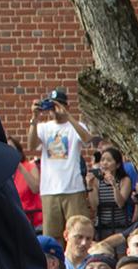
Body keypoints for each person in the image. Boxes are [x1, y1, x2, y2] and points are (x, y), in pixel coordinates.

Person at [31, 88, 93, 240]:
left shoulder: (76, 126)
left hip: (73, 188)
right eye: (52, 107)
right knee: (52, 237)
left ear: (67, 106)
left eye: (58, 106)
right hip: (49, 190)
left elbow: (87, 139)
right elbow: (32, 145)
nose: (54, 110)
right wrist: (34, 118)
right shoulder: (43, 127)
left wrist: (68, 117)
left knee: (79, 234)